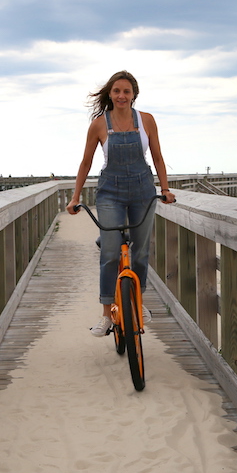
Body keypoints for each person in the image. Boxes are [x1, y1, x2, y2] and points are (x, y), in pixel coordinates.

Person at [66, 71, 176, 336]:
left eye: (126, 91)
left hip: (142, 190)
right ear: (110, 94)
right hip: (110, 193)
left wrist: (165, 188)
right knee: (110, 254)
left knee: (140, 251)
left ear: (134, 95)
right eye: (117, 91)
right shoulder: (99, 124)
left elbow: (159, 157)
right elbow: (86, 163)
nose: (121, 96)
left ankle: (138, 302)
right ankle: (106, 314)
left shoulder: (146, 120)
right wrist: (75, 197)